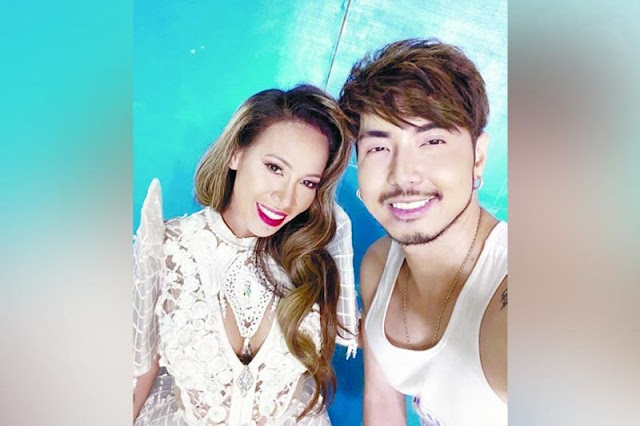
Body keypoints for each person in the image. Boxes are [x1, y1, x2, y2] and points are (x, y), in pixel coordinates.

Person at [132, 84, 359, 425]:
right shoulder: (166, 247)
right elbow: (139, 373)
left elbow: (378, 343)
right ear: (236, 153)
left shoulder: (313, 260)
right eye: (275, 168)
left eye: (308, 183)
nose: (285, 198)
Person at [339, 39, 507, 425]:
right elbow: (383, 401)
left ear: (478, 157)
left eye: (432, 141)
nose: (403, 174)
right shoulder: (379, 263)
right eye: (378, 149)